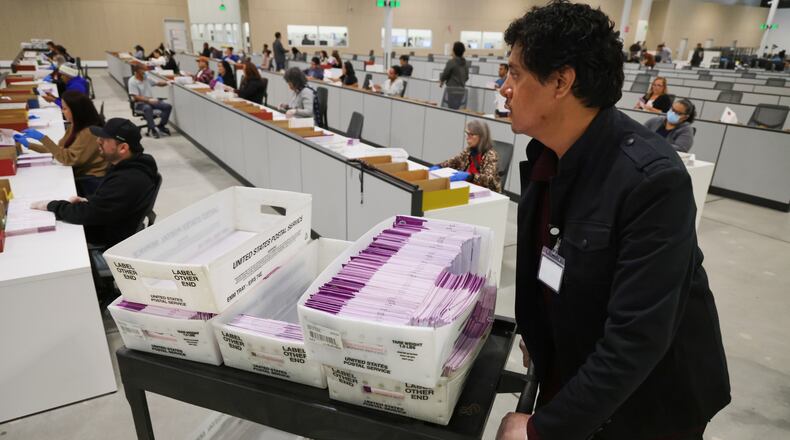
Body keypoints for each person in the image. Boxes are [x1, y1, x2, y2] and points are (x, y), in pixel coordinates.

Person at [494, 2, 729, 439]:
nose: (504, 87)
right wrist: (542, 333)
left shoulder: (651, 182)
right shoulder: (547, 157)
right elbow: (556, 265)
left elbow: (637, 341)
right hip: (581, 373)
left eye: (515, 74)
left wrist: (539, 432)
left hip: (649, 406)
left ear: (561, 81)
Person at [30, 118, 159, 249]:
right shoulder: (131, 165)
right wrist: (90, 200)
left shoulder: (127, 180)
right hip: (110, 221)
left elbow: (89, 214)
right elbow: (111, 202)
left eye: (104, 139)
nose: (98, 141)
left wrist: (52, 205)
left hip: (108, 238)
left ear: (123, 148)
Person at [14, 91, 106, 195]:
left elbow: (67, 158)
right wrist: (29, 145)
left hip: (90, 181)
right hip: (77, 173)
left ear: (76, 111)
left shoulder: (88, 133)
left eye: (65, 108)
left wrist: (43, 138)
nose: (62, 111)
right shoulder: (74, 125)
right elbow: (59, 150)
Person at [429, 120, 501, 192]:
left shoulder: (491, 154)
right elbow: (454, 161)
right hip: (469, 186)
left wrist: (469, 176)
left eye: (472, 135)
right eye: (467, 134)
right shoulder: (469, 150)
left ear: (482, 137)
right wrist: (439, 166)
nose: (467, 138)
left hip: (485, 192)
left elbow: (489, 179)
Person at [128, 65, 172, 138]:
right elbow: (135, 97)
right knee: (147, 108)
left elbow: (158, 83)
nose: (145, 72)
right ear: (137, 71)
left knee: (167, 106)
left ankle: (161, 126)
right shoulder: (132, 81)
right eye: (143, 71)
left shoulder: (146, 78)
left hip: (151, 101)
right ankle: (153, 128)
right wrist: (148, 100)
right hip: (140, 104)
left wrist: (167, 82)